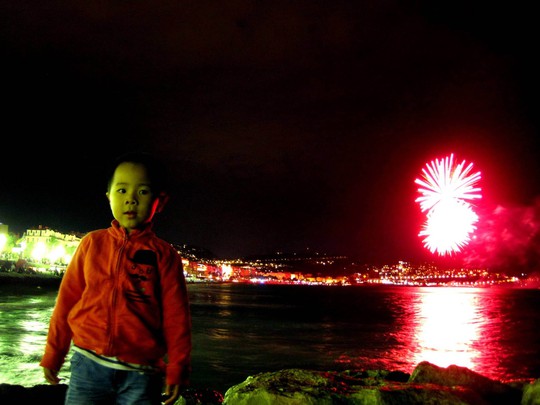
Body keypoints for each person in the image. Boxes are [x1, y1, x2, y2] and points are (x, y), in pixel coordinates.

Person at [40, 152, 192, 405]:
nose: (131, 199)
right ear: (109, 196)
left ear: (160, 201)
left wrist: (178, 368)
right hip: (88, 363)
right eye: (122, 190)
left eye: (142, 192)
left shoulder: (164, 256)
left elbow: (177, 318)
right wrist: (54, 353)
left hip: (142, 373)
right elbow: (66, 302)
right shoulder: (91, 244)